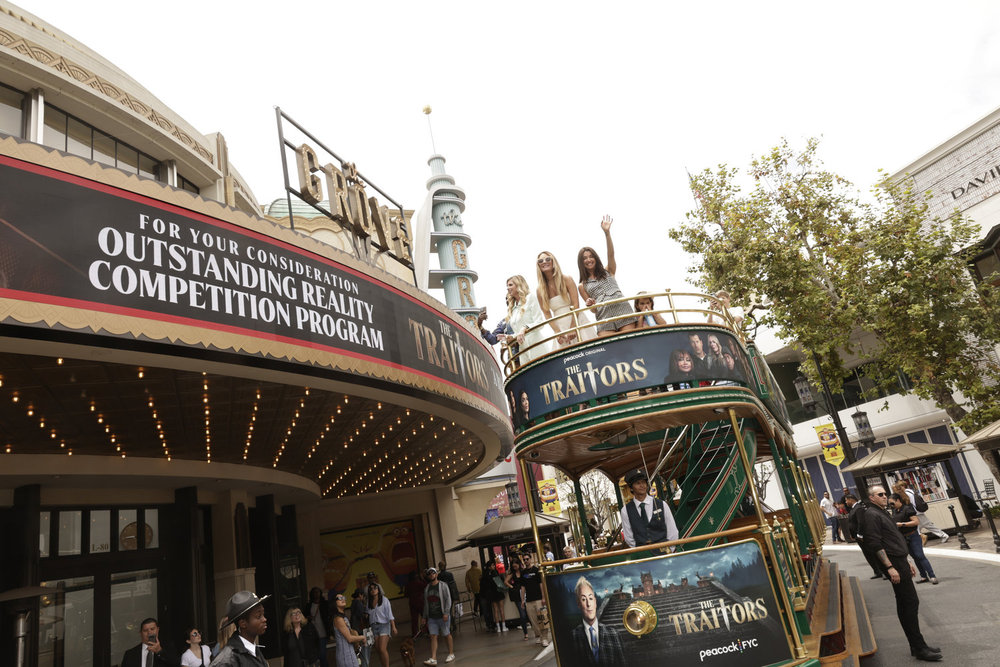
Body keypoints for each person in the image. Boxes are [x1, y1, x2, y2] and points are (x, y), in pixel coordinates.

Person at [862, 486, 942, 662]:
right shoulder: (872, 515)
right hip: (893, 563)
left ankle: (917, 645)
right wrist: (890, 567)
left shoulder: (882, 512)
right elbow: (875, 543)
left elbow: (892, 538)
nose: (885, 497)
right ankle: (919, 646)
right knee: (910, 602)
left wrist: (906, 561)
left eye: (885, 494)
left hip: (900, 561)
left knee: (906, 603)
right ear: (871, 497)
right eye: (880, 494)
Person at [577, 216, 638, 337]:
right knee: (609, 349)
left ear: (595, 258)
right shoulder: (582, 285)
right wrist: (591, 304)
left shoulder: (608, 270)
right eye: (585, 258)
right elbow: (593, 310)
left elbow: (611, 254)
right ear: (581, 262)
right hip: (604, 318)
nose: (589, 260)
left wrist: (607, 233)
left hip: (622, 310)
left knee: (630, 343)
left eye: (591, 256)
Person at [568, 576, 626, 667]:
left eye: (590, 598)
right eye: (583, 599)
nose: (588, 604)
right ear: (578, 604)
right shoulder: (572, 637)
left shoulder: (613, 634)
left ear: (595, 602)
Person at [536, 250, 591, 346]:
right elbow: (547, 313)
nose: (544, 262)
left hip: (576, 320)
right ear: (538, 265)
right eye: (540, 261)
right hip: (560, 326)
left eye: (548, 259)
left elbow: (576, 304)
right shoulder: (540, 290)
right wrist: (557, 332)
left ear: (553, 261)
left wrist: (573, 327)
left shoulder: (567, 279)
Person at [619, 468, 678, 549]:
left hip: (665, 554)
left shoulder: (662, 504)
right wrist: (642, 552)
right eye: (637, 483)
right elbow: (629, 538)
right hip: (643, 556)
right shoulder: (625, 511)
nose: (642, 485)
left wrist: (669, 551)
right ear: (631, 488)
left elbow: (673, 531)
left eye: (643, 482)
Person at [211, 590, 271, 667]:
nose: (264, 619)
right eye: (258, 616)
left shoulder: (253, 650)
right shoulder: (226, 662)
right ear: (243, 623)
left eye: (263, 614)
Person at [499, 275, 550, 364]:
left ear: (518, 285)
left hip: (535, 346)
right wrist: (511, 337)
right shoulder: (513, 308)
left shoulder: (530, 298)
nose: (507, 288)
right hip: (523, 350)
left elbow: (540, 322)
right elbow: (518, 333)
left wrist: (524, 328)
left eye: (510, 285)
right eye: (507, 286)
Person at [890, 493, 939, 585]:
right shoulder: (895, 510)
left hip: (913, 535)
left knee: (920, 556)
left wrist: (902, 524)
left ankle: (932, 575)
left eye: (892, 503)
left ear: (898, 500)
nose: (891, 506)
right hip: (904, 537)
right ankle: (923, 576)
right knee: (915, 557)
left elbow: (916, 522)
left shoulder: (907, 509)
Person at [846, 493, 889, 580]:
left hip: (863, 536)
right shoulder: (853, 508)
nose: (846, 502)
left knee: (874, 553)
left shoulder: (858, 508)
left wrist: (859, 534)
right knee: (868, 554)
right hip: (858, 537)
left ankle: (884, 571)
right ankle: (877, 571)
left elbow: (861, 522)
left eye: (846, 500)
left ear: (851, 499)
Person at [422, 567, 455, 665]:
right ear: (428, 576)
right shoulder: (427, 588)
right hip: (432, 617)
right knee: (433, 636)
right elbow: (426, 603)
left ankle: (451, 653)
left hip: (442, 615)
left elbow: (448, 600)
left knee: (446, 634)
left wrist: (446, 613)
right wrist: (424, 617)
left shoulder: (443, 585)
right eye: (429, 574)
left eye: (433, 573)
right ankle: (433, 657)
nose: (431, 575)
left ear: (436, 574)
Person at [519, 552, 550, 647]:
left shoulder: (536, 570)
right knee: (533, 621)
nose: (526, 561)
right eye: (524, 560)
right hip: (529, 600)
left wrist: (543, 597)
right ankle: (540, 636)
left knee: (542, 619)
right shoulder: (523, 573)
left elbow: (541, 584)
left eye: (527, 559)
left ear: (530, 559)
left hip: (538, 599)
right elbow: (523, 587)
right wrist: (522, 600)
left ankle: (544, 638)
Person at [331, 592, 367, 667]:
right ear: (334, 603)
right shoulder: (338, 619)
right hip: (346, 655)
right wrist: (362, 637)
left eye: (343, 597)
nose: (343, 599)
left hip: (348, 653)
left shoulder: (342, 617)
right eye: (340, 598)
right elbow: (349, 639)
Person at [366, 582, 396, 667]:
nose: (373, 590)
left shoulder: (384, 600)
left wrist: (393, 626)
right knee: (378, 649)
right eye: (371, 589)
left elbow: (390, 614)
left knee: (382, 649)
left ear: (379, 589)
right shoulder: (369, 602)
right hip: (374, 627)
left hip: (384, 625)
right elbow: (367, 614)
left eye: (375, 588)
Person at [504, 556, 529, 639]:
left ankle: (531, 628)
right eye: (513, 566)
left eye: (516, 566)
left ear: (519, 564)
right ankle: (525, 633)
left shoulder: (523, 572)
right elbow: (505, 582)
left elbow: (527, 580)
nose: (515, 567)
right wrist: (512, 587)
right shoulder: (512, 573)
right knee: (522, 614)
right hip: (517, 595)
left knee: (527, 612)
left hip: (525, 592)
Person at [307, 587, 332, 667]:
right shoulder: (309, 605)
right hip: (313, 634)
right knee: (316, 656)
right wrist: (308, 618)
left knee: (322, 655)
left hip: (323, 633)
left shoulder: (325, 604)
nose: (316, 594)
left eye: (318, 592)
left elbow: (329, 616)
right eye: (314, 592)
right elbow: (305, 617)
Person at [479, 560, 503, 632]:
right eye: (492, 565)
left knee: (491, 610)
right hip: (494, 593)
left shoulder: (484, 575)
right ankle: (499, 625)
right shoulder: (494, 573)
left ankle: (492, 625)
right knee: (499, 610)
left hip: (487, 594)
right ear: (489, 567)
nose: (494, 566)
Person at [349, 589, 371, 667]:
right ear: (360, 595)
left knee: (360, 651)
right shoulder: (358, 603)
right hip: (362, 629)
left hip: (356, 629)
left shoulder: (353, 603)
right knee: (365, 650)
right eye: (363, 595)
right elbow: (363, 616)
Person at [404, 572, 425, 638]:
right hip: (421, 602)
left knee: (414, 620)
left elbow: (406, 595)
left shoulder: (408, 584)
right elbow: (425, 586)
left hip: (412, 602)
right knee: (425, 617)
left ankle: (415, 634)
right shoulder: (419, 582)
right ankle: (427, 631)